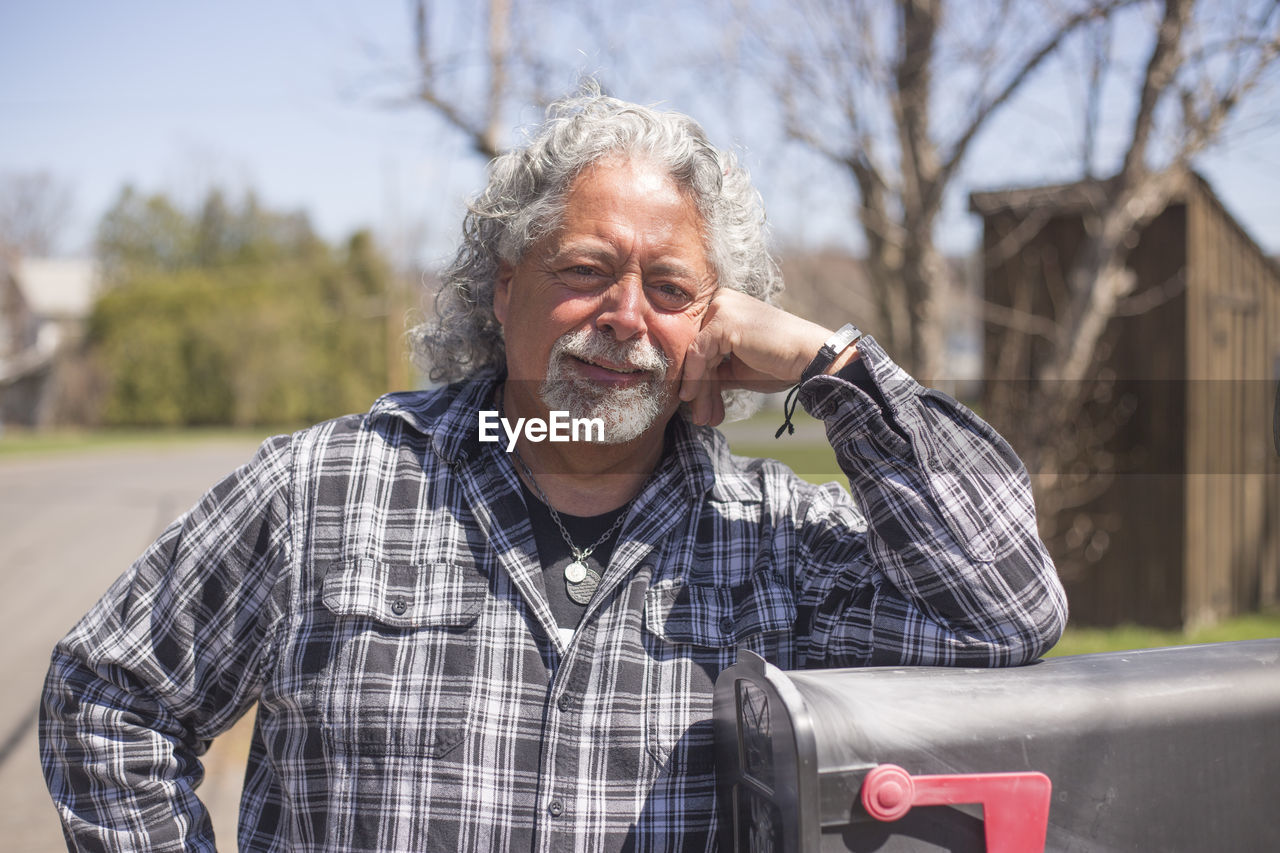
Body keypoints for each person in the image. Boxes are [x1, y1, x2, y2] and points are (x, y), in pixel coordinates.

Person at [41, 88, 1067, 852]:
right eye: (584, 271)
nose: (624, 317)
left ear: (716, 326)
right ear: (501, 288)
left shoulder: (778, 540)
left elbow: (1003, 615)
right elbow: (109, 697)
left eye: (669, 289)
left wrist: (831, 370)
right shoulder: (323, 491)